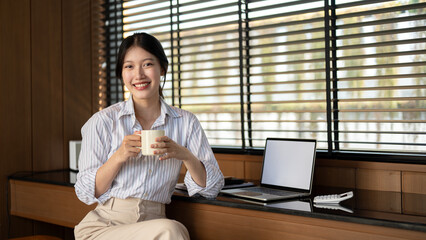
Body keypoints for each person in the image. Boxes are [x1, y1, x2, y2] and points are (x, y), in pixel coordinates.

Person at [74, 32, 224, 240]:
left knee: (168, 229)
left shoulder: (186, 122)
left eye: (147, 64)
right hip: (104, 227)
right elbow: (85, 192)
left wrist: (185, 155)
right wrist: (119, 157)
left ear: (162, 68)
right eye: (129, 66)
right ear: (121, 73)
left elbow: (211, 189)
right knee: (172, 230)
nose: (139, 75)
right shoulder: (102, 121)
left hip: (155, 224)